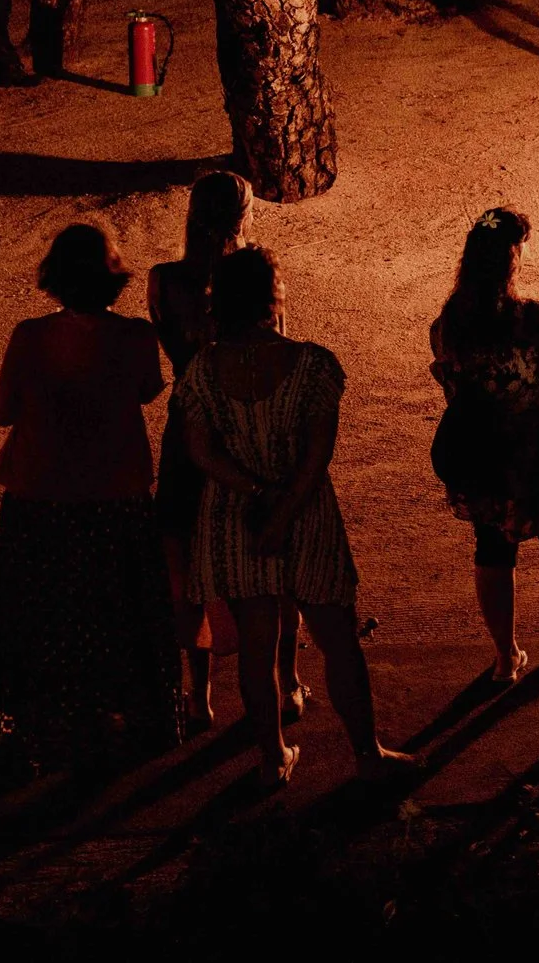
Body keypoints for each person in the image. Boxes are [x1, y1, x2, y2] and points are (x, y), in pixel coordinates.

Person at [178, 248, 410, 786]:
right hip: (306, 512)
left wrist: (252, 488)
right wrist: (284, 508)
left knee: (255, 647)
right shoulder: (312, 364)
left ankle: (271, 758)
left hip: (237, 518)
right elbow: (317, 452)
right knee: (337, 636)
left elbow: (200, 450)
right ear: (271, 296)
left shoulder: (203, 369)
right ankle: (367, 754)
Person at [0, 224, 179, 761]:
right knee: (116, 605)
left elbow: (1, 412)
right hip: (116, 492)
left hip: (40, 491)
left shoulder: (30, 336)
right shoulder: (136, 336)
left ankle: (47, 714)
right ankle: (114, 709)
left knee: (45, 606)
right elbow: (148, 391)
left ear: (55, 278)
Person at [147, 172, 297, 736]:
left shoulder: (165, 281)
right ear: (242, 218)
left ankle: (199, 695)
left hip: (189, 428)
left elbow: (169, 346)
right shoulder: (259, 277)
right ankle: (287, 683)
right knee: (268, 561)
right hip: (246, 430)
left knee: (187, 561)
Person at [429, 209, 539, 683]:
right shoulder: (530, 320)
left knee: (492, 548)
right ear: (511, 261)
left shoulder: (449, 323)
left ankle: (504, 655)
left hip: (482, 451)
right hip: (536, 451)